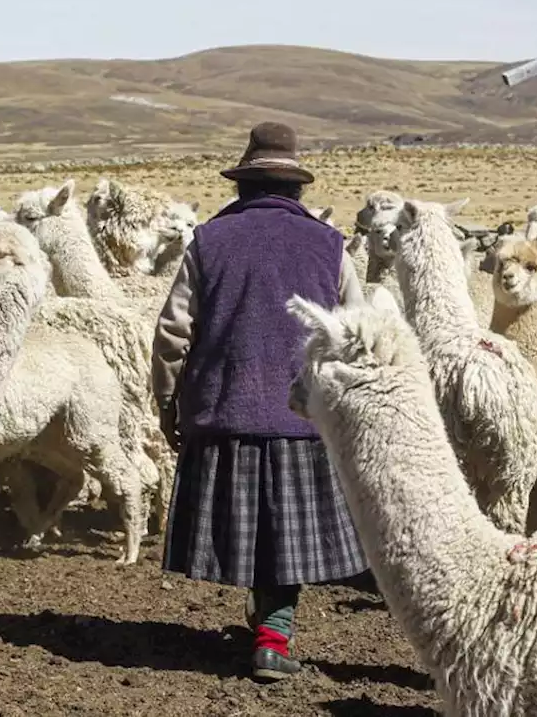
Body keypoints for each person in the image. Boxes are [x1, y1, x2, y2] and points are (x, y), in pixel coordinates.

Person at [151, 121, 368, 682]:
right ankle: (273, 634)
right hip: (307, 416)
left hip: (224, 412)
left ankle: (267, 622)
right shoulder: (330, 244)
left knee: (253, 523)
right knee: (286, 530)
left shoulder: (207, 241)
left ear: (243, 185)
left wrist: (169, 403)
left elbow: (174, 333)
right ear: (295, 188)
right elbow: (357, 331)